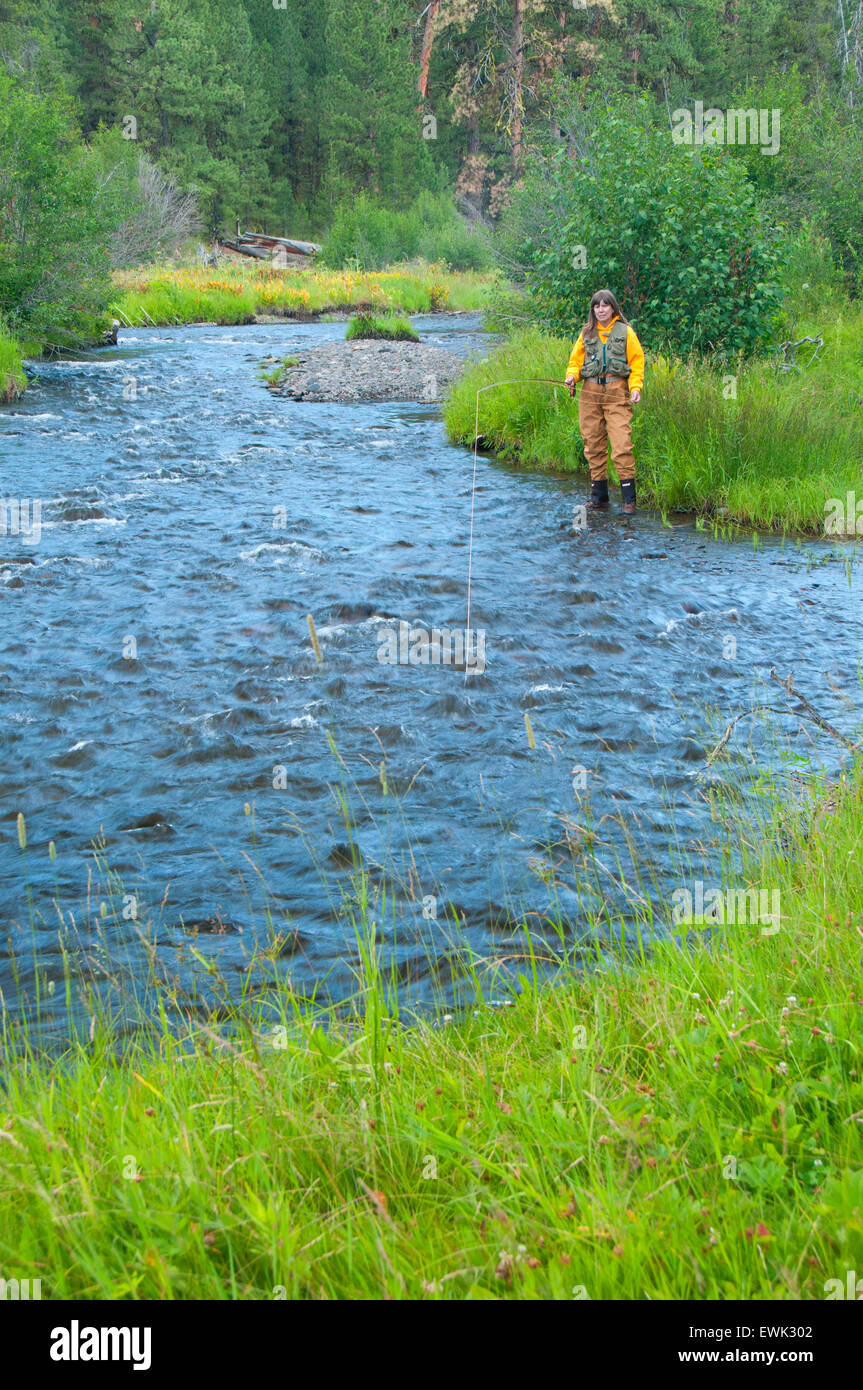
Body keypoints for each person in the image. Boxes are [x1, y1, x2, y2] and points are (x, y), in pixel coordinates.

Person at [564, 289, 645, 514]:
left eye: (605, 306)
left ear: (613, 308)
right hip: (589, 392)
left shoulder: (626, 332)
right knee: (593, 444)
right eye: (597, 306)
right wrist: (571, 377)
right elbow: (575, 363)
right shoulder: (586, 333)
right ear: (593, 310)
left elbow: (637, 363)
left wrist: (635, 387)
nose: (601, 310)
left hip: (617, 391)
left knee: (621, 444)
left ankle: (629, 500)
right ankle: (599, 497)